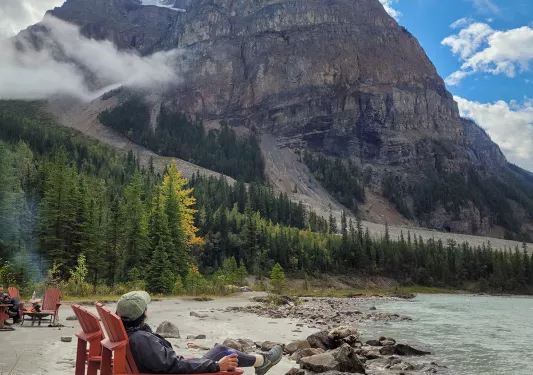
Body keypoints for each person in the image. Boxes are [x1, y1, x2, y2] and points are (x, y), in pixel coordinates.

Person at [116, 291, 282, 374]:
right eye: (146, 307)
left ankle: (262, 361)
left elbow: (167, 362)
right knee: (224, 354)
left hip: (168, 369)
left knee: (221, 349)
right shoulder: (141, 339)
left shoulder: (129, 333)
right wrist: (217, 366)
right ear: (143, 313)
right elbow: (174, 365)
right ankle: (263, 361)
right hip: (180, 373)